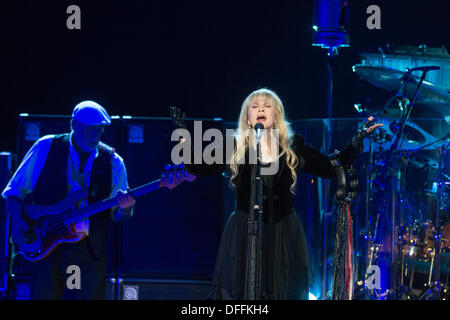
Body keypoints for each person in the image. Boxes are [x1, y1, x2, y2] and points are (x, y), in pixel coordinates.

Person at [171, 88, 382, 299]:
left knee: (283, 289)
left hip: (284, 231)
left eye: (267, 105)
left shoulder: (293, 145)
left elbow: (327, 168)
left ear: (276, 114)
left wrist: (355, 143)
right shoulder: (233, 146)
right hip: (244, 230)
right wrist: (183, 138)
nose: (260, 108)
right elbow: (198, 165)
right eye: (254, 106)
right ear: (247, 116)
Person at [2, 100, 136, 300]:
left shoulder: (114, 162)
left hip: (89, 253)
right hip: (46, 246)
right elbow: (14, 191)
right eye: (90, 129)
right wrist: (18, 222)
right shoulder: (47, 146)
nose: (95, 134)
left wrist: (125, 209)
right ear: (73, 124)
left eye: (100, 130)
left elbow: (117, 216)